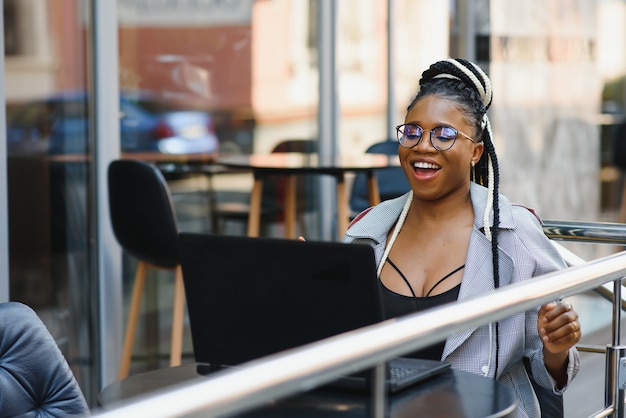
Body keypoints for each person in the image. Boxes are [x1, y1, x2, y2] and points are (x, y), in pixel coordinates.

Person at [342, 58, 580, 418]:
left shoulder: (515, 233)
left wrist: (557, 348)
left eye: (444, 134)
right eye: (412, 131)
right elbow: (341, 354)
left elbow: (553, 374)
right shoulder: (367, 232)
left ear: (475, 151)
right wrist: (312, 292)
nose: (423, 145)